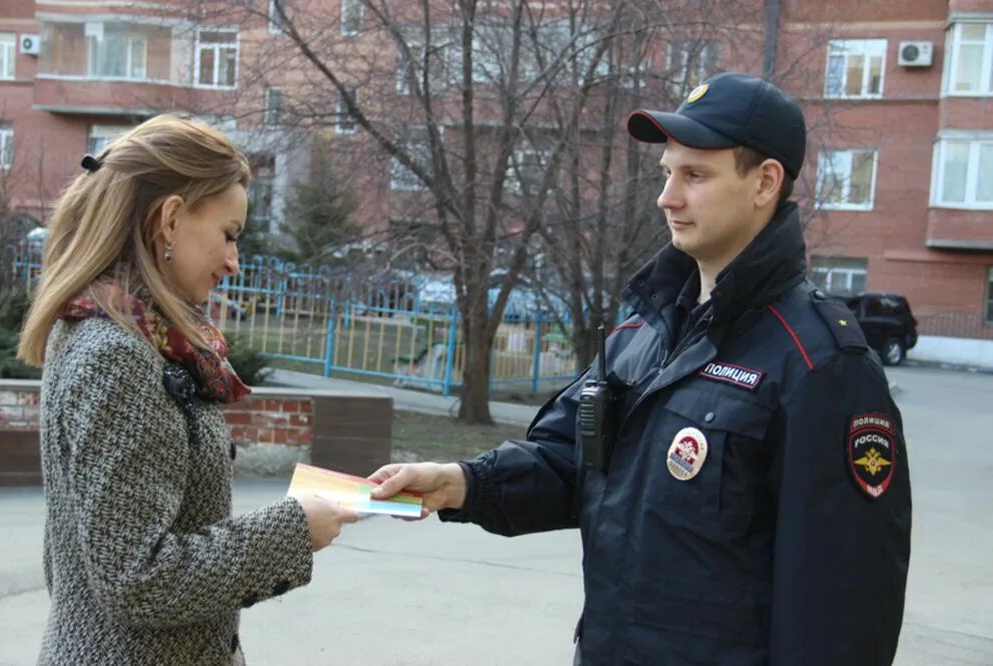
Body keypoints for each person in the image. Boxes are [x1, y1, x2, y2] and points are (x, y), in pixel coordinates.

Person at [370, 72, 912, 665]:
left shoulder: (821, 365)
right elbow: (573, 463)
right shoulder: (643, 334)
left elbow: (842, 613)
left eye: (695, 176)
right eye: (666, 174)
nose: (667, 197)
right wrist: (463, 483)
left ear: (764, 182)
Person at [17, 115, 359, 665]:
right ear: (171, 219)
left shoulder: (118, 333)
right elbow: (136, 578)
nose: (234, 262)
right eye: (229, 234)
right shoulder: (118, 355)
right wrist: (293, 529)